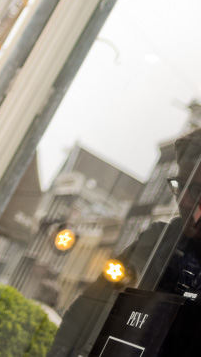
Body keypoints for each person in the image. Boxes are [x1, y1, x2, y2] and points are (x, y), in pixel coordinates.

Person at [47, 127, 201, 356]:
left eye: (197, 189)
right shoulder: (154, 242)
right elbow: (83, 313)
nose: (184, 200)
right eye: (180, 186)